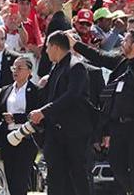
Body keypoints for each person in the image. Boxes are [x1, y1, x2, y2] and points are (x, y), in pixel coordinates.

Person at [72, 29, 134, 195]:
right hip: (118, 126)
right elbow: (99, 56)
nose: (122, 44)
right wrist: (76, 45)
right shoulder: (121, 62)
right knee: (116, 165)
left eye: (126, 41)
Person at [29, 32, 92, 195]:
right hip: (55, 133)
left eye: (47, 47)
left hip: (73, 133)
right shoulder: (56, 67)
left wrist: (44, 111)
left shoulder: (75, 66)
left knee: (77, 175)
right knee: (56, 176)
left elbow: (72, 96)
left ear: (55, 47)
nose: (46, 52)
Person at [0, 56, 42, 195]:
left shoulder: (36, 91)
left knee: (20, 178)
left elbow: (37, 114)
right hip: (8, 139)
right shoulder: (6, 90)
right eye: (14, 68)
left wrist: (16, 118)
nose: (15, 71)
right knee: (9, 175)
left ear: (29, 71)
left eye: (20, 68)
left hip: (26, 139)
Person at [38, 0, 72, 78]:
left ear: (51, 3)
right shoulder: (67, 20)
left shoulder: (55, 22)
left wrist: (42, 72)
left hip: (53, 69)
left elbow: (51, 47)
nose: (46, 6)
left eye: (46, 2)